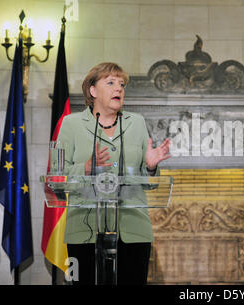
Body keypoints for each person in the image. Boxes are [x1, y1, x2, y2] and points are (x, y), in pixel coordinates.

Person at [57, 62, 171, 285]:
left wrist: (150, 167)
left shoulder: (136, 123)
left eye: (121, 84)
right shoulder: (71, 124)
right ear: (92, 91)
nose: (118, 88)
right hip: (84, 230)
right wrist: (86, 168)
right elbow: (57, 179)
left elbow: (149, 183)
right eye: (110, 83)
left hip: (133, 229)